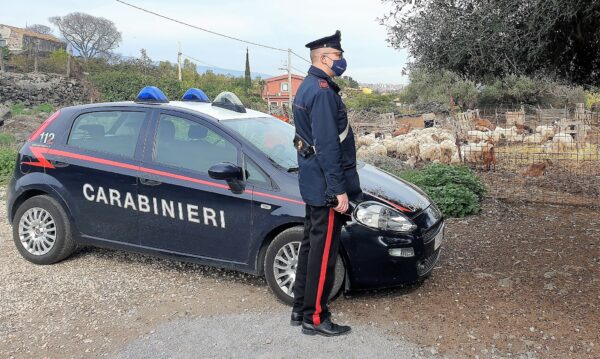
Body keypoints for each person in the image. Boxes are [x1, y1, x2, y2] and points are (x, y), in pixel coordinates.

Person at [291, 30, 362, 337]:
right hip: (326, 186)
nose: (341, 60)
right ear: (322, 57)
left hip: (314, 181)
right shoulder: (321, 92)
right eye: (337, 55)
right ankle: (316, 318)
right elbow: (328, 146)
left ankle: (299, 308)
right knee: (323, 253)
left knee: (310, 246)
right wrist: (338, 191)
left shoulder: (309, 87)